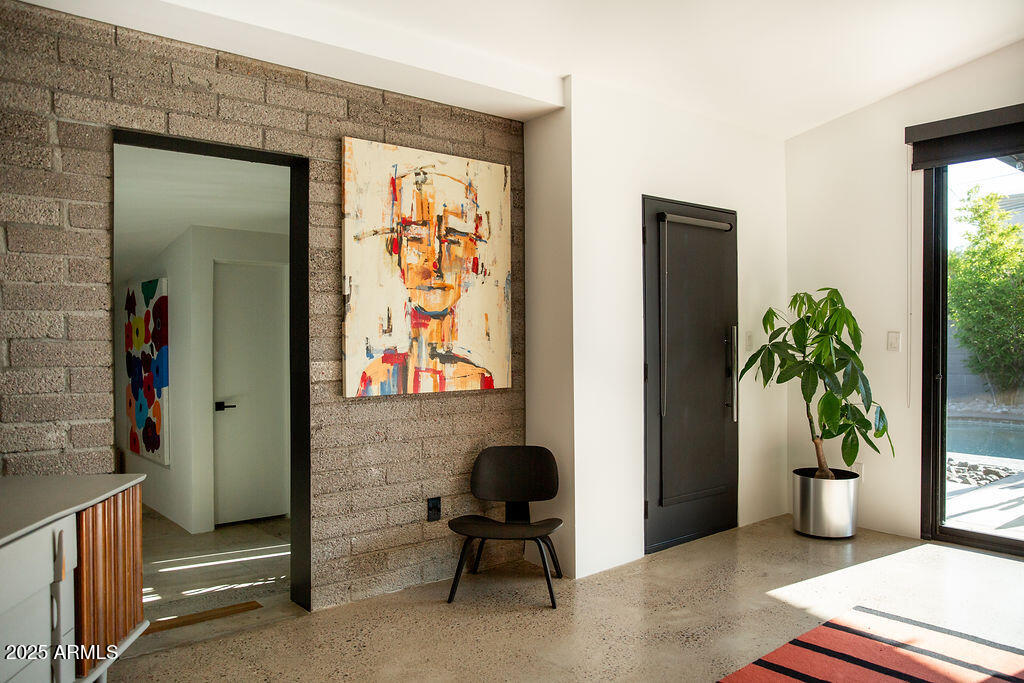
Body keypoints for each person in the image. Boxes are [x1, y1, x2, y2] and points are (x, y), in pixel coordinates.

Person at [356, 166, 495, 395]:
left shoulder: (479, 381)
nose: (435, 261)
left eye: (452, 237)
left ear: (473, 256)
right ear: (395, 249)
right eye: (417, 237)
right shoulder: (377, 379)